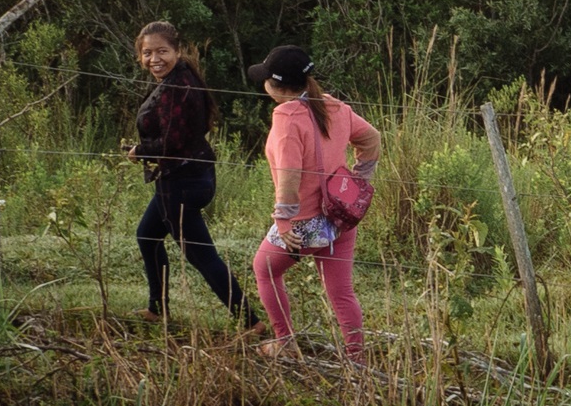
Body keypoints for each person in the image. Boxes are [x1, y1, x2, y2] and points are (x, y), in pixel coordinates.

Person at [249, 45, 381, 358]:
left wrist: (283, 221)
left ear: (275, 86)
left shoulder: (286, 118)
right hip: (340, 216)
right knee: (341, 290)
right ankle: (356, 356)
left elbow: (289, 175)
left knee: (264, 269)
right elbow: (371, 138)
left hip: (306, 223)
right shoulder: (333, 106)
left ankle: (284, 342)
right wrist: (359, 179)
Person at [127, 20, 251, 327]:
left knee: (202, 256)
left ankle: (250, 322)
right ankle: (157, 309)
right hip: (186, 175)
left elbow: (172, 142)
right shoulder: (177, 79)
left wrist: (139, 152)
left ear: (177, 51)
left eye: (162, 51)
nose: (154, 59)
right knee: (147, 236)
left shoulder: (178, 86)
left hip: (182, 182)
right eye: (147, 53)